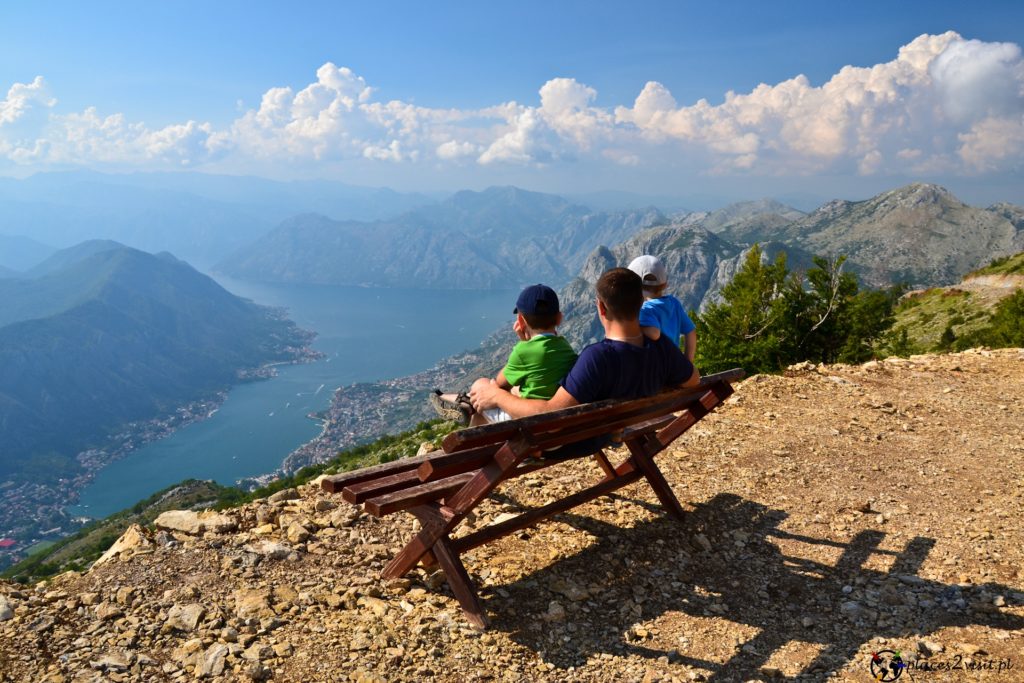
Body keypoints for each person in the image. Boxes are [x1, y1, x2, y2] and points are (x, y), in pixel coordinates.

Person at [469, 268, 699, 419]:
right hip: (628, 428)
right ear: (641, 303)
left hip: (578, 441)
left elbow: (550, 413)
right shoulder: (662, 347)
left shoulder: (598, 358)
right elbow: (693, 381)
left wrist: (497, 395)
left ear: (601, 308)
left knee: (484, 393)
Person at [430, 284, 577, 425]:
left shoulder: (523, 352)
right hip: (560, 424)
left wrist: (524, 345)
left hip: (531, 424)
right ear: (559, 318)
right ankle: (463, 403)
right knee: (510, 390)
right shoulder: (565, 346)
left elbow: (499, 385)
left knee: (481, 384)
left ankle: (466, 408)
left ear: (520, 320)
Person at [627, 254, 698, 363]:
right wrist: (687, 362)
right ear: (665, 284)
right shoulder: (674, 303)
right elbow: (691, 332)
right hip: (674, 364)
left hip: (657, 369)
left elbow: (654, 333)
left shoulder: (644, 310)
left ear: (636, 287)